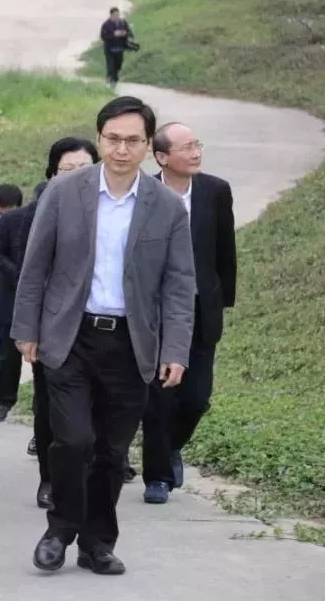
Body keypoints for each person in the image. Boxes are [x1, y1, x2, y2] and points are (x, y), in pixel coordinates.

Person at [12, 97, 195, 575]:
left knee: (112, 453)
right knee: (73, 440)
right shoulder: (64, 192)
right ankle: (60, 528)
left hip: (132, 344)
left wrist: (175, 349)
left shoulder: (167, 207)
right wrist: (26, 329)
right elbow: (35, 265)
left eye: (133, 140)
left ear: (148, 146)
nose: (121, 149)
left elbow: (179, 285)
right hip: (70, 336)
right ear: (99, 140)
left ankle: (97, 543)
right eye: (113, 139)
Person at [0, 138, 98, 511]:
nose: (78, 176)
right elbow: (27, 273)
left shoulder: (114, 212)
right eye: (69, 169)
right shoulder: (31, 217)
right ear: (52, 174)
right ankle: (50, 478)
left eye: (85, 168)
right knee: (50, 404)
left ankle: (90, 473)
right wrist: (27, 328)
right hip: (52, 327)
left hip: (101, 326)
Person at [140, 122, 237, 503]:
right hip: (156, 311)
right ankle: (157, 477)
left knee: (197, 397)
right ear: (161, 157)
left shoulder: (215, 191)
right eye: (186, 148)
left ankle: (171, 447)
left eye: (197, 145)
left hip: (200, 308)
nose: (196, 153)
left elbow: (225, 250)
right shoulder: (145, 193)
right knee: (159, 397)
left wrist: (222, 301)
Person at [100, 7, 135, 85]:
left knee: (118, 65)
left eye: (118, 15)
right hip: (109, 49)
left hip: (119, 48)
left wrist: (125, 34)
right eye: (115, 15)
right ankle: (110, 80)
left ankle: (115, 78)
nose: (117, 17)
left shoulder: (122, 22)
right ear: (111, 15)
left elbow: (129, 32)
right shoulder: (106, 25)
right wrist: (114, 35)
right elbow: (103, 37)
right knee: (111, 66)